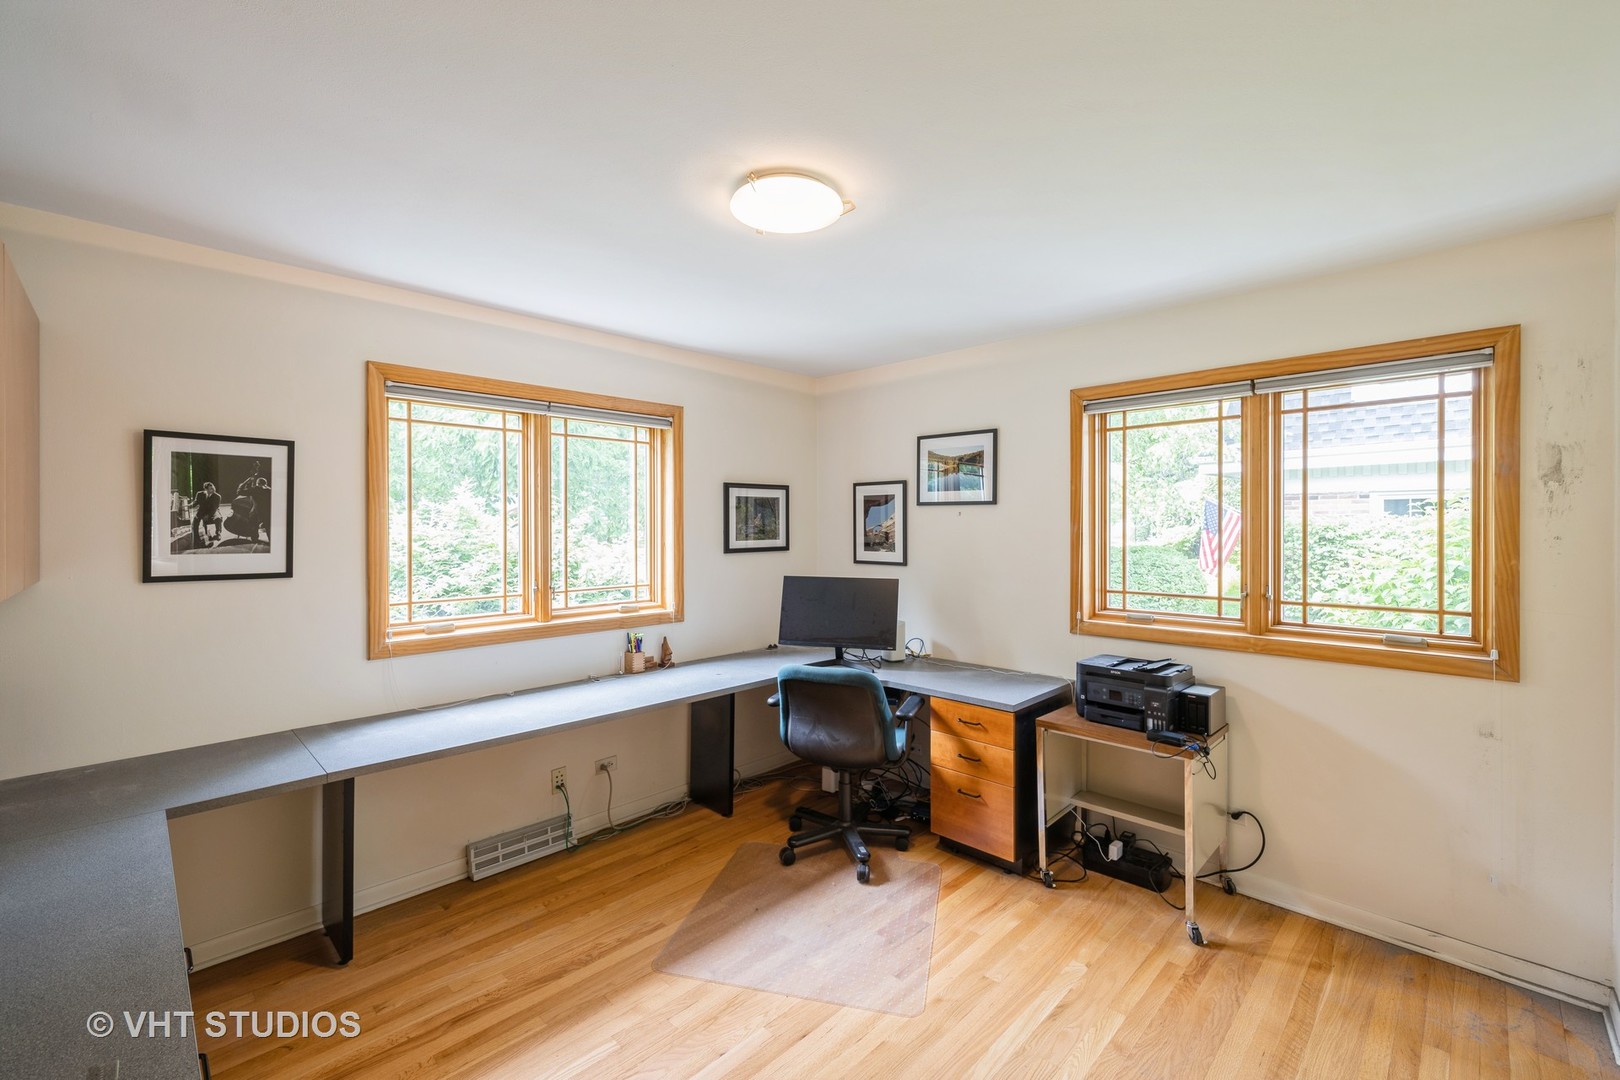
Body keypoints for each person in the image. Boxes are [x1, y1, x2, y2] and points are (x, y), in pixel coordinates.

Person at [190, 482, 222, 549]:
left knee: (218, 518)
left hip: (213, 511)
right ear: (205, 489)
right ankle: (197, 540)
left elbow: (214, 508)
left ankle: (218, 533)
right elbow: (195, 502)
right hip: (202, 511)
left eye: (212, 488)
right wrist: (188, 506)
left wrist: (208, 516)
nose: (212, 490)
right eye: (209, 489)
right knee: (195, 523)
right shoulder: (199, 494)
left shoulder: (217, 496)